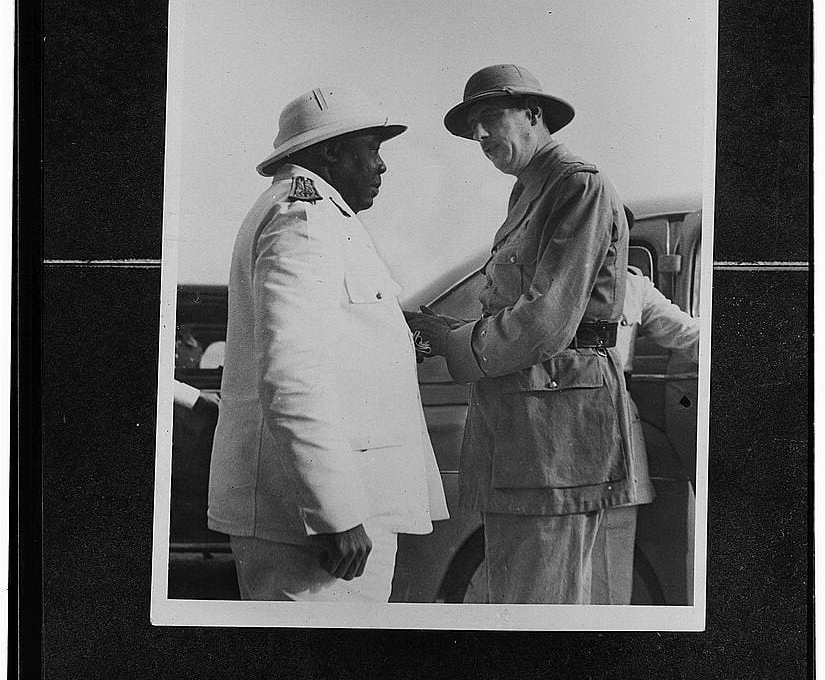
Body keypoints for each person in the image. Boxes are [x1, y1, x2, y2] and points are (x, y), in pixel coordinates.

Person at [406, 64, 653, 604]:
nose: (481, 136)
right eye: (474, 127)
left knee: (545, 604)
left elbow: (545, 321)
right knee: (521, 597)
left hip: (558, 433)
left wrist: (454, 342)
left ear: (534, 116)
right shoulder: (529, 190)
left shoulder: (576, 184)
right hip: (528, 428)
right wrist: (452, 328)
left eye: (491, 118)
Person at [208, 86, 447, 602]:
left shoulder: (318, 219)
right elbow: (292, 376)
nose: (381, 167)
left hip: (324, 515)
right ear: (331, 150)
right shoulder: (304, 221)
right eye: (372, 150)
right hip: (317, 528)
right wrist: (335, 511)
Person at [590, 207, 701, 604]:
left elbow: (689, 334)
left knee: (612, 560)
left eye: (614, 233)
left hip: (615, 425)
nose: (605, 242)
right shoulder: (545, 283)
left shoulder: (634, 286)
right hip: (555, 430)